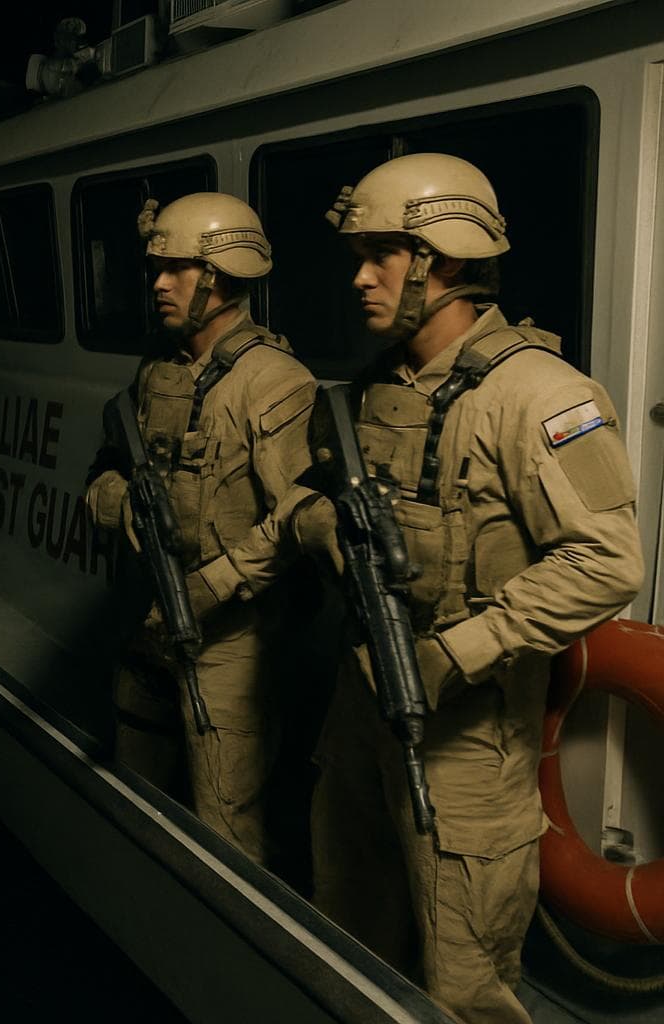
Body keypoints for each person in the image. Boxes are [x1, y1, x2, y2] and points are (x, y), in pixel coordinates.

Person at [292, 153, 642, 1023]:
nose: (360, 276)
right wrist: (324, 527)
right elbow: (305, 496)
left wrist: (460, 650)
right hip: (361, 700)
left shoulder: (540, 393)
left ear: (444, 260)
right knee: (347, 931)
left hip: (468, 740)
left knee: (465, 984)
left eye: (382, 254)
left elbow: (608, 558)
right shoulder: (375, 389)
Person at [83, 192, 316, 867]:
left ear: (218, 277)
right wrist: (119, 503)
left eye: (177, 269)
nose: (158, 283)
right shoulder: (159, 371)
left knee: (225, 827)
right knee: (137, 795)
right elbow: (107, 467)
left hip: (229, 642)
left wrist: (214, 586)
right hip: (150, 616)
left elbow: (296, 522)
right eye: (157, 268)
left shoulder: (274, 383)